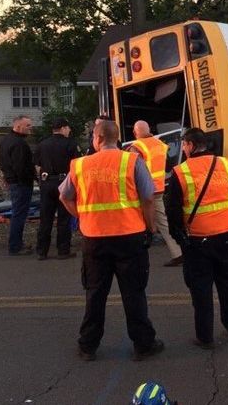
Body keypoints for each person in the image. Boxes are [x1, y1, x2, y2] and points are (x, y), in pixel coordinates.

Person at [59, 120, 164, 362]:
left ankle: (88, 345)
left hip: (94, 239)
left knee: (95, 293)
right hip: (130, 237)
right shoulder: (132, 161)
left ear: (96, 139)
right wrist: (150, 226)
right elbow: (148, 197)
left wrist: (83, 216)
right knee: (134, 292)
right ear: (117, 138)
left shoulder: (80, 165)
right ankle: (143, 344)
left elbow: (64, 196)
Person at [167, 128, 228, 348]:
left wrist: (178, 236)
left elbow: (172, 210)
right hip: (226, 236)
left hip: (197, 240)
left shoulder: (181, 172)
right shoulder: (227, 164)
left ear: (191, 145)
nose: (183, 148)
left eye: (183, 144)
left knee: (201, 289)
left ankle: (205, 337)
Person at [129, 120, 183, 267]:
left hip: (142, 190)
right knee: (163, 222)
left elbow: (133, 170)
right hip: (158, 188)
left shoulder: (137, 147)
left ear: (135, 133)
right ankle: (178, 251)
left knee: (134, 220)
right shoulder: (160, 144)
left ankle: (135, 254)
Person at [34, 117, 80, 260]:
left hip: (46, 183)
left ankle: (42, 251)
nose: (69, 130)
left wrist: (41, 179)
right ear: (63, 128)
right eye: (68, 128)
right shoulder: (70, 144)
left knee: (45, 218)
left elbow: (36, 164)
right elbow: (77, 164)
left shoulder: (42, 144)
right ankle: (63, 250)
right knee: (64, 218)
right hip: (64, 182)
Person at [0, 115, 36, 256]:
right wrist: (28, 179)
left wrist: (7, 177)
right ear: (18, 126)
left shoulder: (6, 140)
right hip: (20, 184)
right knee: (19, 215)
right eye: (28, 125)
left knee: (17, 213)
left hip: (13, 181)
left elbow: (3, 162)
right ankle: (15, 246)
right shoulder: (19, 144)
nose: (30, 128)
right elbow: (20, 166)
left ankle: (17, 243)